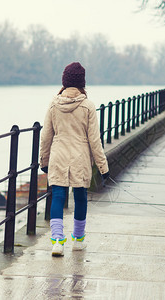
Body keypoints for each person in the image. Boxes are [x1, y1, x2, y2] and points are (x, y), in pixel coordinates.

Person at [40, 62, 110, 256]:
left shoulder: (54, 104)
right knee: (80, 197)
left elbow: (46, 135)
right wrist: (103, 168)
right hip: (80, 157)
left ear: (64, 81)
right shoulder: (88, 106)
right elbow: (95, 140)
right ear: (82, 83)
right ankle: (78, 241)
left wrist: (43, 161)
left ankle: (57, 242)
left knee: (58, 196)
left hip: (58, 155)